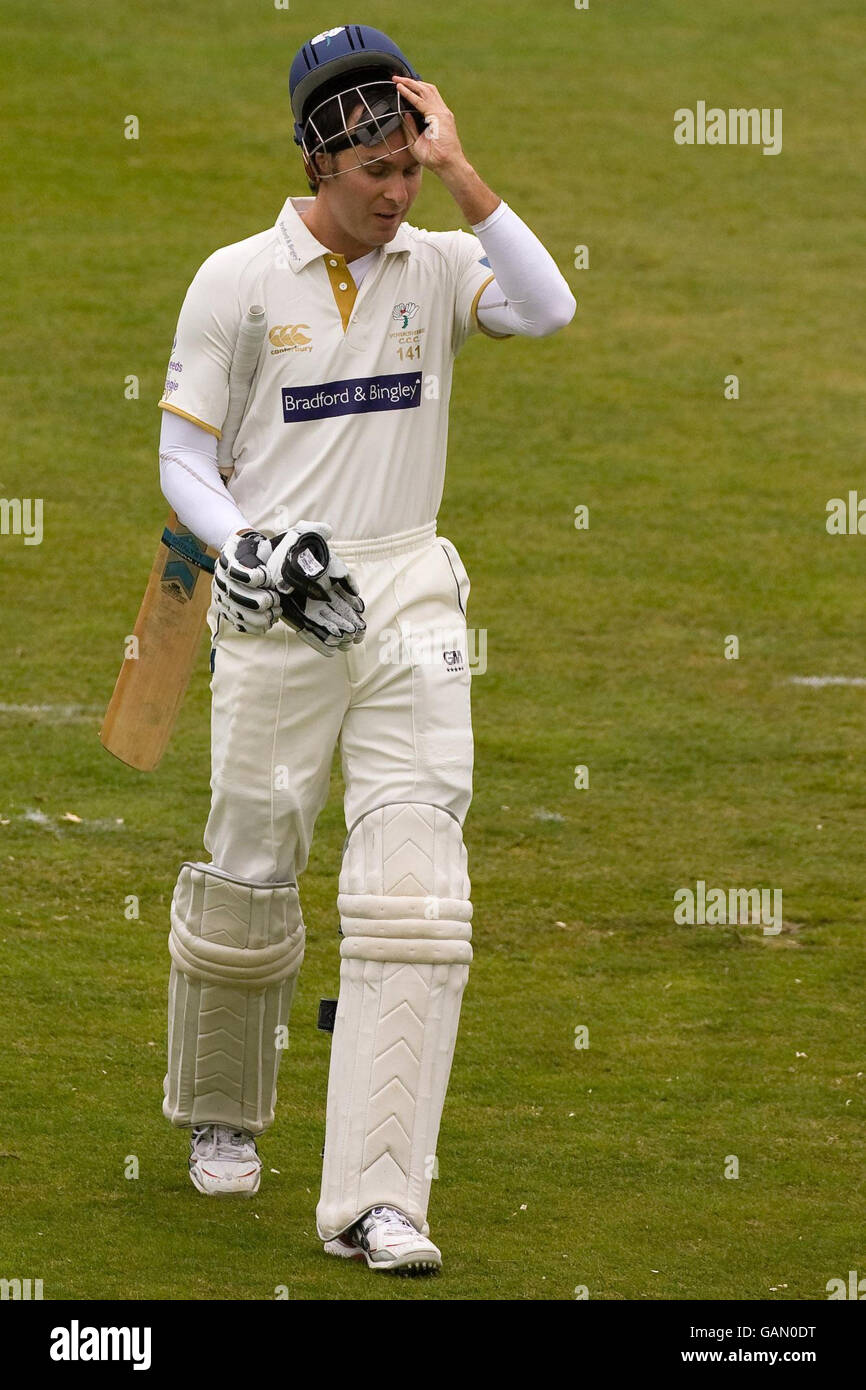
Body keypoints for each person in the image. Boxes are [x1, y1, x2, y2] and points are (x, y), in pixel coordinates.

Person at [157, 23, 575, 1275]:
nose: (394, 194)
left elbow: (548, 308)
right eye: (375, 172)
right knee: (250, 866)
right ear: (316, 161)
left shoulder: (440, 261)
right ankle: (223, 1111)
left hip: (405, 598)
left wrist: (464, 175)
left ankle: (376, 1201)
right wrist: (250, 545)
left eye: (408, 165)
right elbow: (183, 460)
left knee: (414, 896)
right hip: (279, 605)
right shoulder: (235, 280)